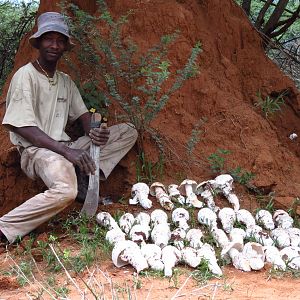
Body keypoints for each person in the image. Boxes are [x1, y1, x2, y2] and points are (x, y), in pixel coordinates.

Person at [0, 12, 138, 244]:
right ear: (39, 42)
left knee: (128, 131)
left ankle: (85, 173)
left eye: (59, 40)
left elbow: (84, 116)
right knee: (66, 191)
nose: (54, 45)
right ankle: (6, 227)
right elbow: (22, 127)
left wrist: (96, 130)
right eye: (48, 39)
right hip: (37, 151)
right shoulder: (26, 76)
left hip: (66, 148)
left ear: (65, 46)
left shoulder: (65, 81)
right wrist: (67, 152)